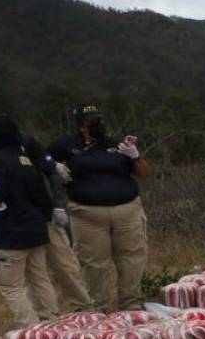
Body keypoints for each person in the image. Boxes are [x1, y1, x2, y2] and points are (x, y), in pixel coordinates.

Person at [0, 101, 94, 312]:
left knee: (63, 265)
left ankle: (85, 309)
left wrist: (58, 205)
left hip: (40, 214)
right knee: (31, 275)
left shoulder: (21, 140)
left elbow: (50, 171)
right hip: (8, 224)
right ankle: (43, 319)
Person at [48, 104, 149, 310]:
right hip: (87, 214)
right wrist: (54, 165)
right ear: (81, 127)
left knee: (132, 258)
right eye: (92, 122)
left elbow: (143, 172)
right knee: (94, 264)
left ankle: (131, 303)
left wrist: (135, 156)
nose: (98, 125)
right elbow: (39, 156)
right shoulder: (66, 146)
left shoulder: (116, 145)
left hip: (127, 210)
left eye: (99, 120)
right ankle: (100, 307)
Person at [0, 116, 59, 327]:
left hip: (11, 233)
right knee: (40, 279)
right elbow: (43, 196)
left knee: (11, 286)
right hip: (36, 229)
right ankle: (52, 323)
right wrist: (44, 218)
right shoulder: (26, 159)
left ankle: (31, 330)